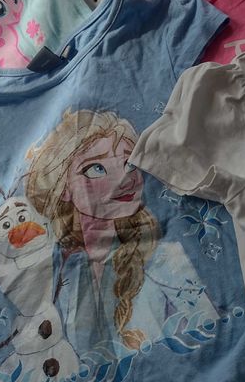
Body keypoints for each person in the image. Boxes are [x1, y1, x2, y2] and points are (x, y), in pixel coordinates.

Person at [25, 108, 218, 353]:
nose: (125, 179)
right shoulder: (60, 273)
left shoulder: (167, 261)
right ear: (63, 187)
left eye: (128, 163)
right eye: (96, 168)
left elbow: (214, 336)